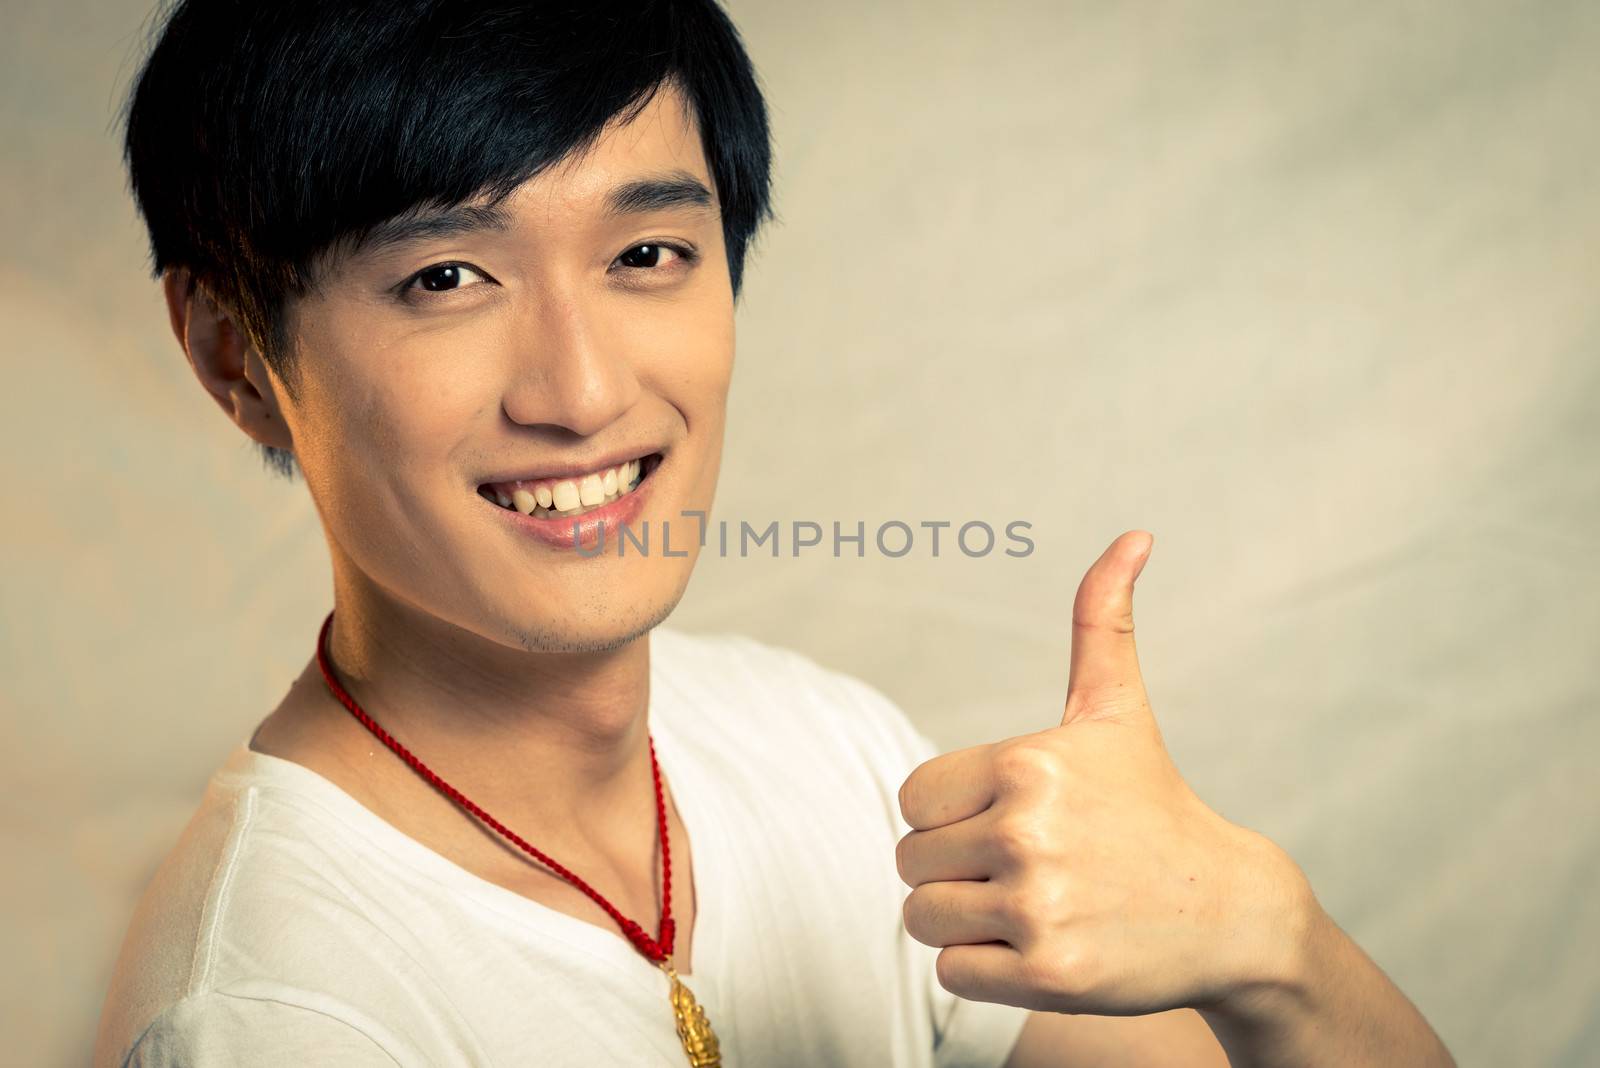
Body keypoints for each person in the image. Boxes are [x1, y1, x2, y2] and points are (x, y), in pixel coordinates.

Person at [94, 2, 1457, 1066]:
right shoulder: (275, 1019)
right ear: (232, 353)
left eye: (646, 257)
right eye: (447, 276)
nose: (580, 393)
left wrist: (1272, 943)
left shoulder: (826, 746)